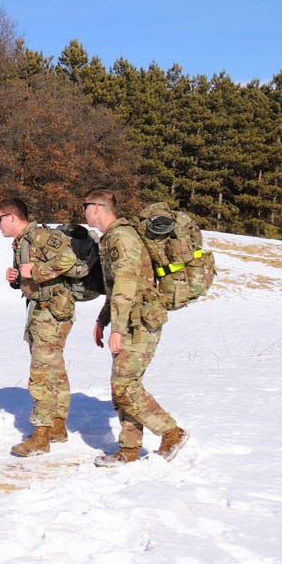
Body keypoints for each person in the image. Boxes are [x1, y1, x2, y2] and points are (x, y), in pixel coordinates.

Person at [83, 188, 189, 466]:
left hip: (140, 321)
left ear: (96, 208)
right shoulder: (113, 237)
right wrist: (102, 320)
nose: (83, 212)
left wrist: (117, 328)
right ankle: (129, 448)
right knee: (124, 385)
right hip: (130, 318)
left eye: (85, 206)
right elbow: (115, 286)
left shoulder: (122, 236)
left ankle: (171, 432)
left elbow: (127, 283)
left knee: (124, 386)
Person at [0, 198, 79, 457]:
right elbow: (28, 275)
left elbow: (67, 260)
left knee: (41, 372)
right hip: (39, 309)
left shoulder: (41, 236)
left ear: (12, 217)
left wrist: (36, 272)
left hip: (53, 311)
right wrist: (16, 279)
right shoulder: (21, 242)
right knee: (53, 367)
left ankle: (41, 435)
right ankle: (56, 426)